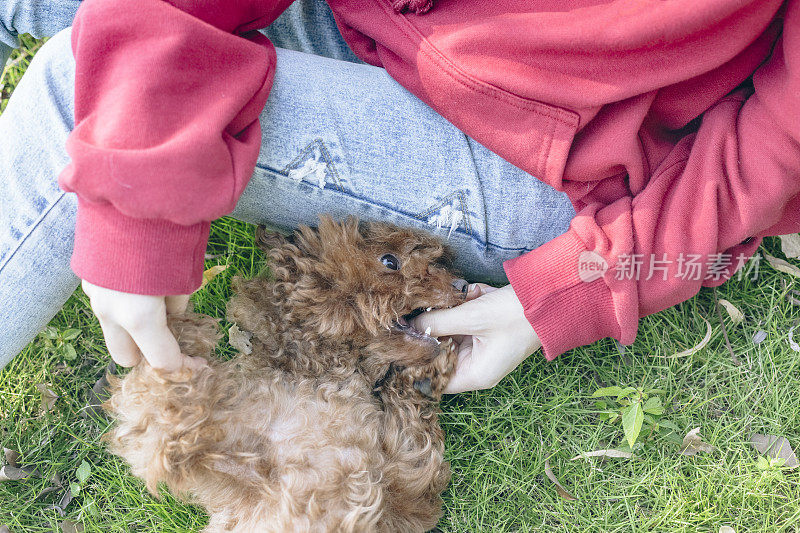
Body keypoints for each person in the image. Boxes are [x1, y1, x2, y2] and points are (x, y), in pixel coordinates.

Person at [1, 0, 797, 394]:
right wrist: (148, 95)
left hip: (563, 153)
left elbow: (780, 142)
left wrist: (581, 282)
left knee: (77, 93)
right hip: (387, 23)